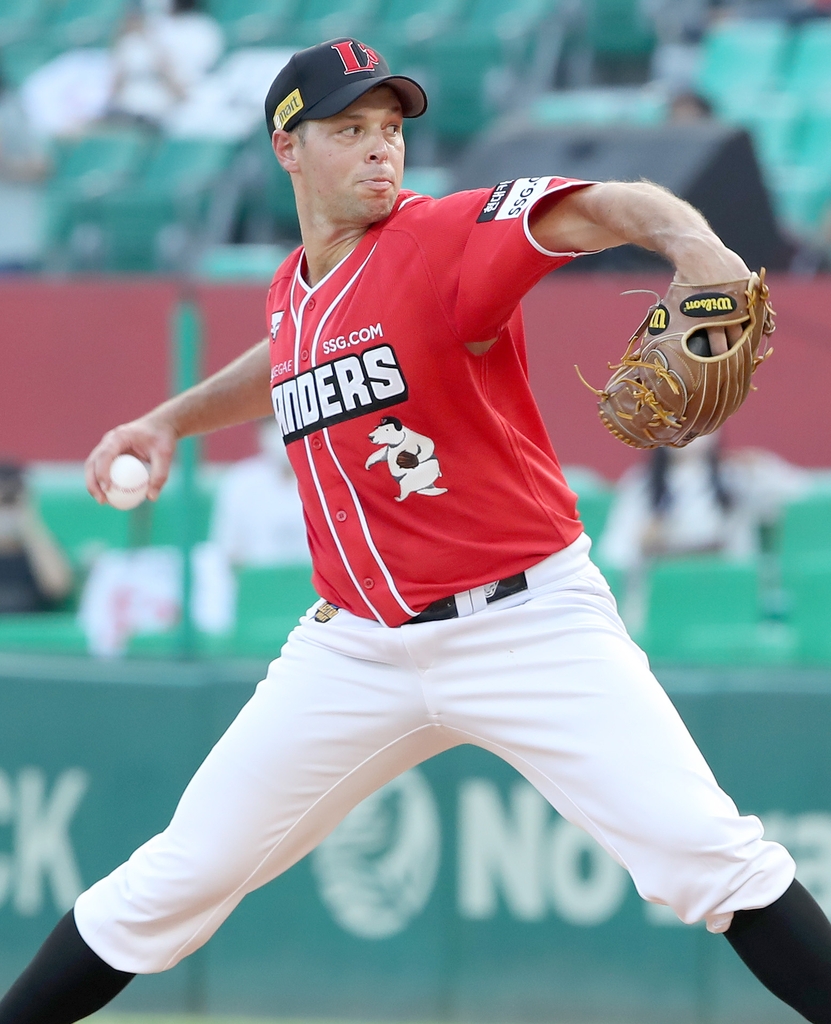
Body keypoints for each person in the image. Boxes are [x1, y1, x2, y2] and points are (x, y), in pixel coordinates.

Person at [3, 37, 831, 1024]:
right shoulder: (295, 290)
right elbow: (286, 357)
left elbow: (606, 205)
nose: (379, 149)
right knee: (176, 877)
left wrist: (693, 244)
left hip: (527, 623)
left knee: (707, 856)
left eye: (390, 128)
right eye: (349, 129)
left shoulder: (442, 240)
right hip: (354, 647)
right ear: (287, 149)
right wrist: (169, 419)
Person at [106, 0, 223, 130]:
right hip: (124, 112)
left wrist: (149, 39)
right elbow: (115, 88)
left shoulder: (201, 29)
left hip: (161, 116)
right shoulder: (151, 26)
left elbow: (181, 90)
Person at [209, 417, 309, 567]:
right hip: (257, 587)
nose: (280, 431)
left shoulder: (328, 477)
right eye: (272, 423)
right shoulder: (241, 482)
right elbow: (227, 554)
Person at [0, 462, 73, 614]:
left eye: (9, 501)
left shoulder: (40, 547)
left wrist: (29, 524)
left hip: (33, 634)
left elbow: (58, 587)